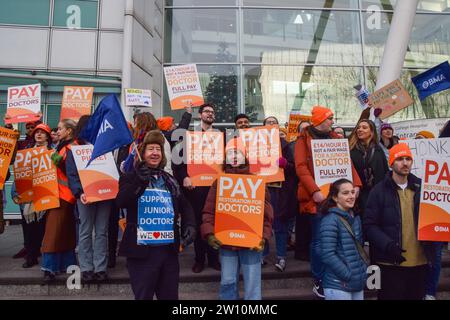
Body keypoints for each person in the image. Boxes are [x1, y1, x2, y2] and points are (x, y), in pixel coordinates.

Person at [116, 130, 196, 300]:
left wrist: (190, 225)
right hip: (142, 253)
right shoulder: (130, 177)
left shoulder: (170, 180)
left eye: (158, 149)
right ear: (142, 153)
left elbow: (185, 205)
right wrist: (140, 180)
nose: (155, 153)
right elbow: (121, 201)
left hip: (168, 252)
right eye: (150, 149)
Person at [294, 105, 362, 298]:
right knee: (319, 241)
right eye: (329, 118)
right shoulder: (302, 139)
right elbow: (301, 168)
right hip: (317, 199)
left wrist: (355, 184)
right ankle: (319, 279)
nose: (333, 121)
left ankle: (335, 275)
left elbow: (347, 163)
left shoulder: (336, 138)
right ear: (319, 121)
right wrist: (314, 191)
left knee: (340, 239)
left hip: (337, 199)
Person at [201, 137, 273, 300]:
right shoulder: (218, 182)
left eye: (238, 152)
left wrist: (263, 236)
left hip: (251, 243)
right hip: (227, 243)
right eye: (230, 153)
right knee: (227, 281)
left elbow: (266, 214)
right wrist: (210, 233)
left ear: (245, 156)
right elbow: (209, 211)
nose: (234, 156)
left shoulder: (257, 181)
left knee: (252, 284)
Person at [364, 143, 437, 300]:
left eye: (408, 159)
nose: (405, 163)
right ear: (391, 163)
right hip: (390, 263)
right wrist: (388, 245)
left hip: (420, 262)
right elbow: (369, 226)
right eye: (400, 159)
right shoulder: (378, 191)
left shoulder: (423, 188)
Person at [173, 103, 221, 273]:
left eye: (212, 112)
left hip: (215, 188)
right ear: (200, 115)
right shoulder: (189, 137)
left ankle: (214, 258)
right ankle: (199, 259)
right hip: (195, 189)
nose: (210, 114)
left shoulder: (221, 137)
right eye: (207, 111)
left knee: (215, 224)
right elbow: (177, 163)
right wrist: (184, 177)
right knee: (200, 223)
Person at [65, 115, 112, 283]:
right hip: (85, 196)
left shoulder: (104, 145)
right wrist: (79, 193)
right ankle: (86, 268)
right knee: (85, 232)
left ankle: (100, 268)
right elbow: (71, 174)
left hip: (104, 195)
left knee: (101, 232)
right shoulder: (74, 148)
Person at [41, 119, 78, 282]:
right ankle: (66, 264)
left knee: (53, 232)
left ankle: (50, 267)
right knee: (64, 231)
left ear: (69, 131)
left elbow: (68, 172)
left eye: (61, 128)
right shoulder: (65, 146)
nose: (57, 131)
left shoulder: (69, 147)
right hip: (64, 195)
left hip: (62, 195)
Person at [319, 179, 368, 300]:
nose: (351, 196)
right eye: (345, 193)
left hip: (356, 283)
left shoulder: (355, 218)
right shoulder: (330, 220)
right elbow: (327, 254)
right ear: (335, 197)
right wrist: (348, 274)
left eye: (352, 192)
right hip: (338, 285)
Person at [12, 123, 53, 268]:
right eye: (37, 132)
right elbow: (20, 173)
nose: (39, 134)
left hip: (46, 194)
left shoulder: (53, 152)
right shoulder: (26, 152)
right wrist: (16, 192)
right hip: (29, 196)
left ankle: (42, 254)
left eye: (42, 132)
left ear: (48, 136)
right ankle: (31, 257)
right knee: (29, 228)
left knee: (42, 229)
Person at [424, 123, 447, 300]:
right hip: (428, 215)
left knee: (436, 256)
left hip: (439, 213)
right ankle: (426, 291)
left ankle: (430, 292)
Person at [349, 119, 389, 218]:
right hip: (358, 196)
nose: (360, 130)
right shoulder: (351, 150)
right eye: (358, 128)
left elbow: (385, 172)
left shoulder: (378, 150)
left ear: (371, 132)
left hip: (377, 196)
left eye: (364, 127)